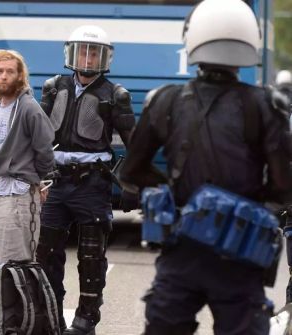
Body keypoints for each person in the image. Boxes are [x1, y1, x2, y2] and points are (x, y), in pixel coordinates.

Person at [118, 0, 292, 333]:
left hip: (182, 249)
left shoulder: (164, 100)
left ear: (193, 37)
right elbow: (284, 187)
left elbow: (131, 171)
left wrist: (178, 194)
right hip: (241, 253)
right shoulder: (266, 105)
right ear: (250, 41)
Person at [34, 25, 135, 335]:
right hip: (55, 182)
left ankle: (85, 321)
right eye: (83, 50)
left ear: (104, 58)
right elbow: (38, 135)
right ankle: (51, 317)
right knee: (46, 253)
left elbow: (135, 143)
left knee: (91, 258)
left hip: (93, 184)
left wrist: (133, 184)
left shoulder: (116, 95)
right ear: (71, 53)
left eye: (94, 52)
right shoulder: (54, 86)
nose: (88, 58)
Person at [0, 49, 54, 266]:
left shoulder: (29, 107)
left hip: (20, 192)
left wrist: (43, 180)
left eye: (9, 72)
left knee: (17, 262)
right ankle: (2, 300)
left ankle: (22, 301)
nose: (3, 76)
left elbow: (44, 147)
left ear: (20, 76)